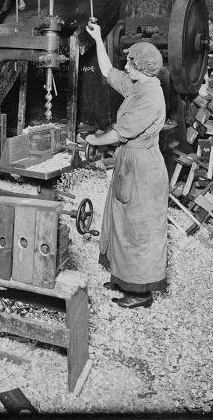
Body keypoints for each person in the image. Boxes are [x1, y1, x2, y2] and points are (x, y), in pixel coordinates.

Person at [85, 18, 169, 309]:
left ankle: (140, 292)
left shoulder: (150, 95)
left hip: (143, 168)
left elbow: (120, 133)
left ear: (141, 66)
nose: (126, 65)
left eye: (130, 61)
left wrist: (94, 140)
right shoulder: (137, 85)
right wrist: (97, 38)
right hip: (128, 161)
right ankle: (122, 276)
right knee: (120, 220)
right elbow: (108, 71)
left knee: (138, 228)